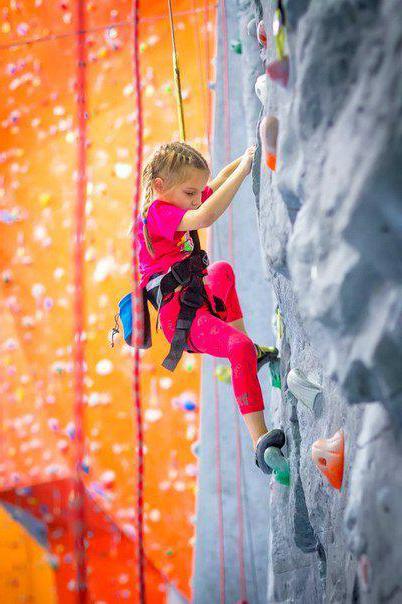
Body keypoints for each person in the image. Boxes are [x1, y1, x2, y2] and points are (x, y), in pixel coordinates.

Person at [135, 141, 288, 478]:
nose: (195, 197)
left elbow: (213, 184)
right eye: (190, 192)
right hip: (183, 319)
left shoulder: (175, 202)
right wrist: (246, 172)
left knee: (221, 272)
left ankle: (254, 353)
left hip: (197, 296)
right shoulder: (157, 214)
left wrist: (247, 155)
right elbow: (206, 215)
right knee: (238, 348)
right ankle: (259, 442)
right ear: (160, 186)